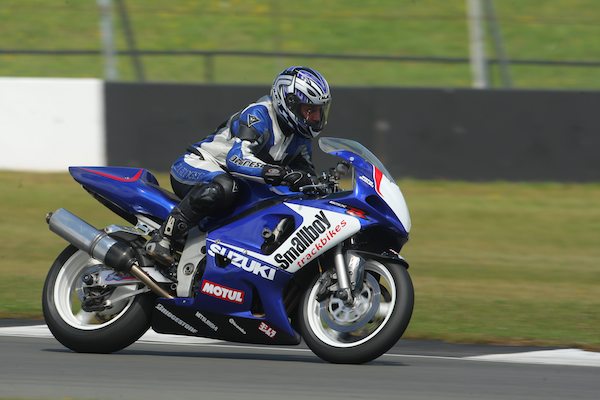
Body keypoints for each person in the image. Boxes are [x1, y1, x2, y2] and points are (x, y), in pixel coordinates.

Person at [145, 66, 332, 266]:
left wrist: (323, 187)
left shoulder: (300, 137)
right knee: (225, 187)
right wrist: (280, 173)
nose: (315, 118)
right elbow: (236, 159)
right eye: (309, 110)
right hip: (196, 164)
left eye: (319, 111)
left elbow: (306, 174)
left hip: (232, 178)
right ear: (289, 103)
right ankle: (163, 238)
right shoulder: (259, 115)